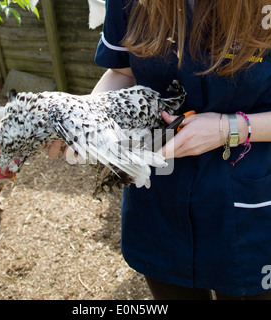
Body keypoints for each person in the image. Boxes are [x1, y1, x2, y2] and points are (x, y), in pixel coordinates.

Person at [49, 0, 271, 300]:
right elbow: (123, 74)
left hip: (248, 207)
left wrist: (227, 128)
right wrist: (84, 119)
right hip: (158, 199)